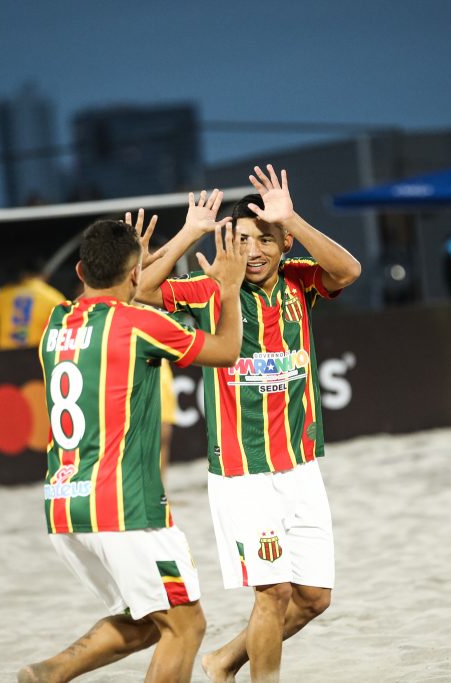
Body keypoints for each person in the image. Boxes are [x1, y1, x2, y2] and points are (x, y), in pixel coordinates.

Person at [136, 167, 361, 683]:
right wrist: (189, 234)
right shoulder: (211, 289)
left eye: (265, 239)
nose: (254, 250)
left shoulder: (302, 281)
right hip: (243, 473)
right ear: (227, 245)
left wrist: (292, 218)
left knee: (313, 600)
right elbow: (138, 291)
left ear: (284, 244)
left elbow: (347, 272)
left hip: (300, 466)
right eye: (242, 240)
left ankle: (222, 662)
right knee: (274, 592)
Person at [19, 203, 248, 683]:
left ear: (80, 270)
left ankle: (49, 673)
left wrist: (183, 236)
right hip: (125, 510)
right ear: (136, 272)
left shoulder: (57, 322)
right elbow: (226, 350)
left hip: (65, 507)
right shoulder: (139, 323)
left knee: (149, 623)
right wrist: (227, 289)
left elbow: (131, 285)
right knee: (187, 627)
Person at [0, 259, 66, 350]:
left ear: (23, 275)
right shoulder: (54, 296)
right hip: (38, 354)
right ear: (44, 275)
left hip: (6, 354)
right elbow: (62, 330)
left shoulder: (4, 294)